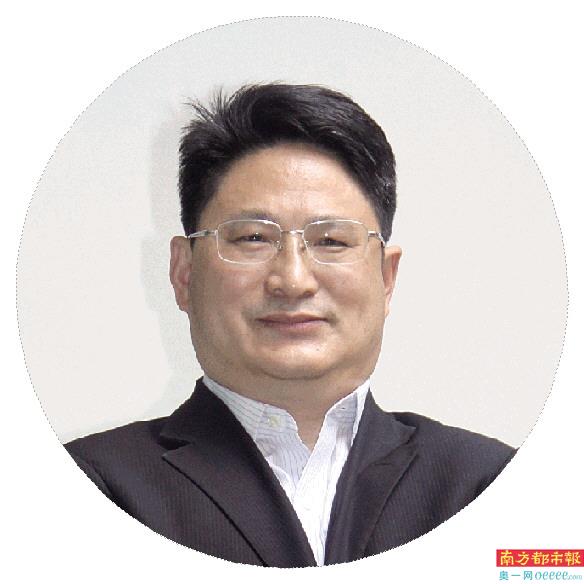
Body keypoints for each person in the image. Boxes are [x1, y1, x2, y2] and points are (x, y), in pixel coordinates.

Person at [65, 83, 515, 567]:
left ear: (386, 278)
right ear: (184, 273)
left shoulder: (490, 484)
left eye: (332, 241)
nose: (293, 280)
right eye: (252, 238)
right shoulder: (90, 489)